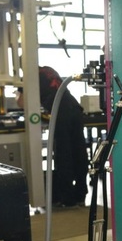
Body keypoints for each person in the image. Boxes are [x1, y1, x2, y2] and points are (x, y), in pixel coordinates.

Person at [18, 66, 89, 207]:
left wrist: (19, 90)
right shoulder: (47, 70)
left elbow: (21, 102)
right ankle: (81, 194)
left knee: (64, 156)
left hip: (61, 113)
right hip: (75, 109)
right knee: (79, 152)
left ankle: (67, 199)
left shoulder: (29, 76)